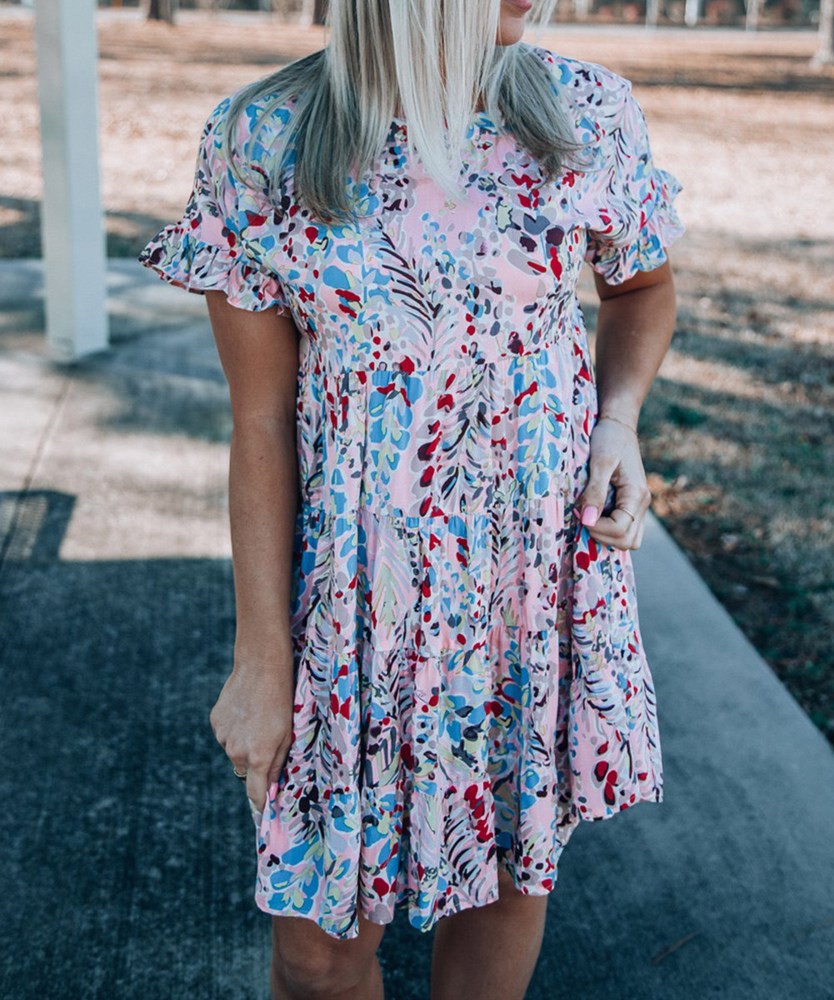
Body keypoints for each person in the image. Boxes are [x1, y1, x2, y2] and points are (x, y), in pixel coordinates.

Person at [139, 1, 683, 997]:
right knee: (316, 958)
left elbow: (642, 290)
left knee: (503, 883)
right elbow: (259, 426)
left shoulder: (586, 112)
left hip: (522, 594)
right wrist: (262, 662)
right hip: (352, 612)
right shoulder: (265, 139)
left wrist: (618, 420)